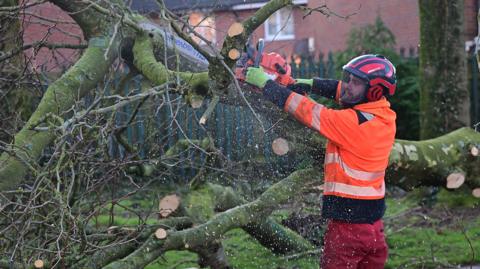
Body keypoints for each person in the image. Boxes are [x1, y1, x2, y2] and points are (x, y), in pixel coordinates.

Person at [244, 54, 397, 269]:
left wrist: (267, 84)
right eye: (349, 79)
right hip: (374, 226)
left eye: (356, 82)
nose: (347, 86)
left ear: (373, 90)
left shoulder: (352, 124)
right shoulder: (383, 114)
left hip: (348, 227)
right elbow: (343, 92)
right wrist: (309, 84)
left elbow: (309, 112)